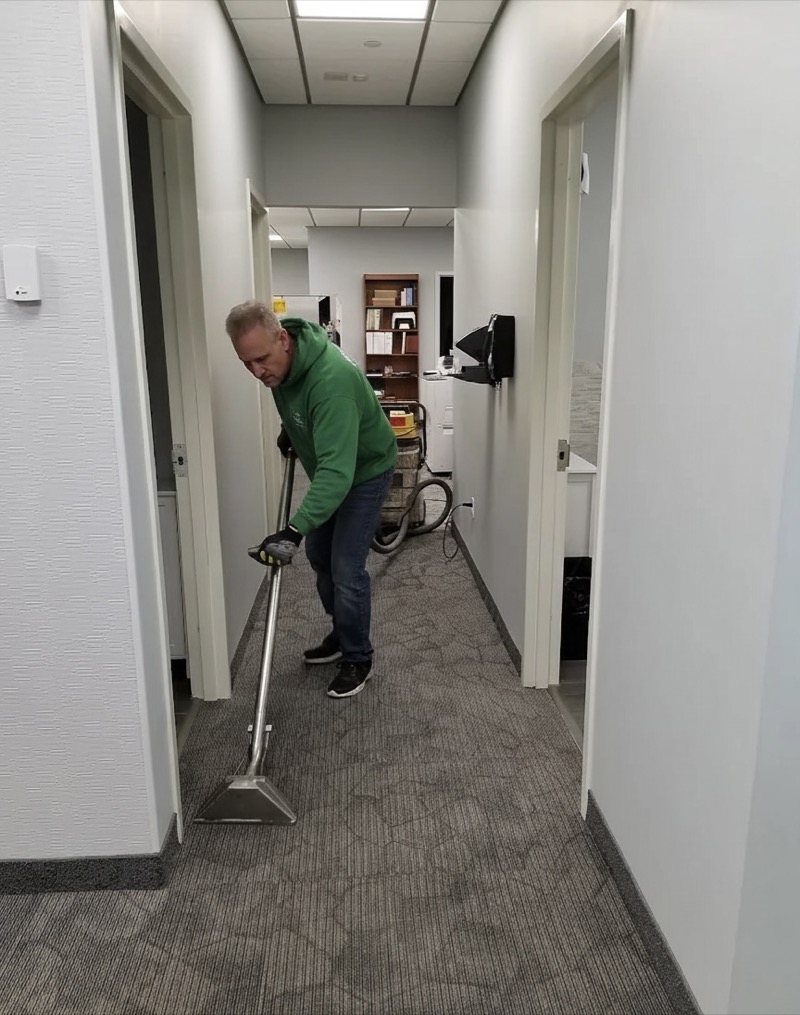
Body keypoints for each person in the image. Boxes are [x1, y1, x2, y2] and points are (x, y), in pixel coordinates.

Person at [225, 301, 397, 699]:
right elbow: (300, 408)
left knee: (345, 567)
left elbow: (339, 473)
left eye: (262, 360)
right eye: (246, 363)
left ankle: (358, 657)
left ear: (283, 339)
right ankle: (342, 633)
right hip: (332, 469)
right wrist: (293, 429)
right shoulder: (281, 365)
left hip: (365, 471)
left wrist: (292, 530)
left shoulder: (331, 381)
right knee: (320, 557)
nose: (257, 372)